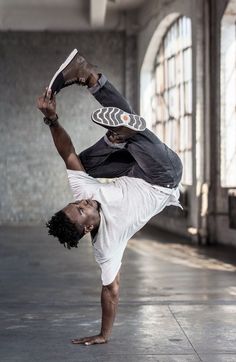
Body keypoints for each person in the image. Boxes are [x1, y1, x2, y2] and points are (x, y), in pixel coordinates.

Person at [36, 49, 183, 346]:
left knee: (82, 165)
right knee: (139, 140)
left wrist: (52, 120)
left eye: (77, 203)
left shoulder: (85, 196)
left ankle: (116, 132)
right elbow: (110, 290)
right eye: (81, 210)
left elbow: (66, 153)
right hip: (164, 176)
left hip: (131, 166)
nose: (83, 202)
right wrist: (104, 334)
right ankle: (115, 118)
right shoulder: (106, 247)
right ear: (88, 227)